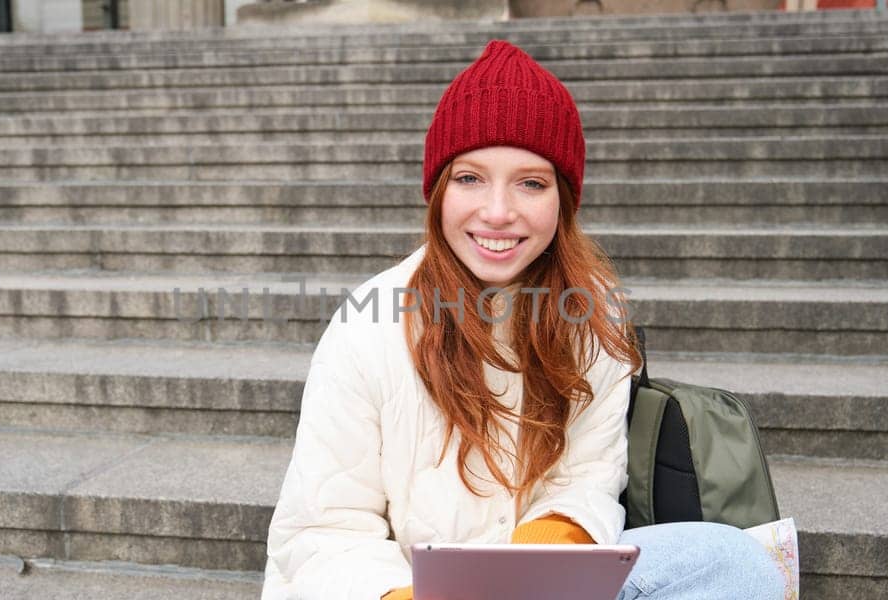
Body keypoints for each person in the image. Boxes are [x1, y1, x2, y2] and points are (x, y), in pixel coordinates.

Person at [262, 40, 785, 600]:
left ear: (561, 199)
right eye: (470, 178)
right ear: (439, 192)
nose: (496, 212)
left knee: (732, 562)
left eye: (530, 183)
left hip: (545, 585)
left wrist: (532, 569)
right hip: (406, 592)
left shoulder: (592, 316)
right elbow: (324, 531)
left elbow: (586, 481)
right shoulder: (369, 326)